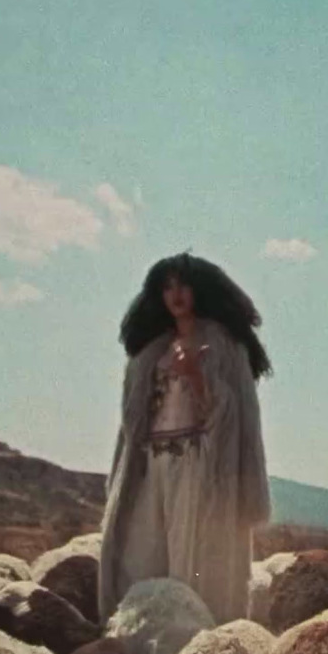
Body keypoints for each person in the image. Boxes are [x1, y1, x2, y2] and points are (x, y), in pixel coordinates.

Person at [97, 252, 273, 626]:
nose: (175, 293)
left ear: (200, 290)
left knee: (192, 562)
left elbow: (232, 418)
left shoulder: (225, 347)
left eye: (183, 284)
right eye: (167, 286)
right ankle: (136, 642)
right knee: (140, 558)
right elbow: (131, 422)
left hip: (197, 467)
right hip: (150, 465)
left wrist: (195, 375)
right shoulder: (149, 350)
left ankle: (198, 647)